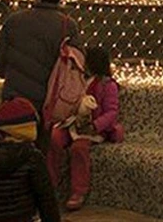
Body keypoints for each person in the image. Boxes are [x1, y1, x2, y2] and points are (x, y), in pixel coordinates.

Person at [0, 0, 81, 134]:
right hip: (50, 100)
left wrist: (7, 75)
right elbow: (76, 64)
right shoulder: (67, 25)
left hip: (15, 96)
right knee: (42, 151)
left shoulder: (14, 20)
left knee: (10, 143)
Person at [47, 46, 124, 211]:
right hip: (72, 123)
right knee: (53, 139)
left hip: (93, 129)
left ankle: (78, 191)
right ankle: (50, 183)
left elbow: (111, 112)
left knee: (79, 148)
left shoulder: (107, 85)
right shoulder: (77, 80)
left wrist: (95, 126)